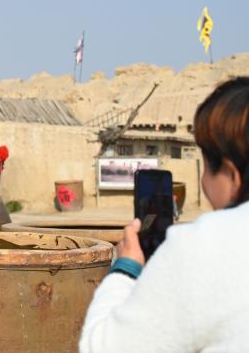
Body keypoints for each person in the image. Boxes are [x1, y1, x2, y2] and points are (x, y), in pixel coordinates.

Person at [79, 77, 249, 352]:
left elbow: (102, 347)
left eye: (207, 167)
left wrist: (126, 269)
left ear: (232, 175)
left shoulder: (201, 246)